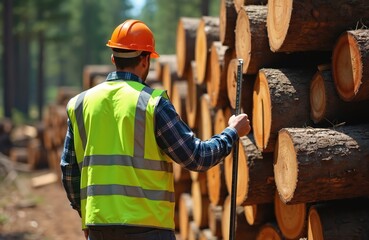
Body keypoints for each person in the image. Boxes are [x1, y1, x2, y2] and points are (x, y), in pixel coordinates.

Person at [60, 19, 251, 240]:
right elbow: (197, 157)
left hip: (99, 226)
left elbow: (69, 170)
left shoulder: (79, 104)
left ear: (113, 58)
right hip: (149, 229)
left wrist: (85, 214)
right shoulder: (151, 103)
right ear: (145, 59)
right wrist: (232, 133)